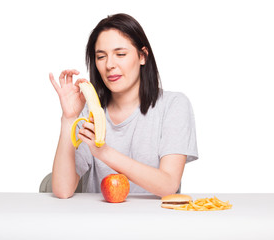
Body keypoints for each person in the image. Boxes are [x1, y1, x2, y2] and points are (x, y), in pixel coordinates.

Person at [49, 13, 198, 199]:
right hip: (100, 219)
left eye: (120, 54)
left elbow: (169, 184)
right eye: (101, 56)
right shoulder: (89, 113)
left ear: (142, 56)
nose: (110, 65)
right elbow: (63, 190)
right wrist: (69, 119)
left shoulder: (173, 106)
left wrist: (103, 152)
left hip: (157, 222)